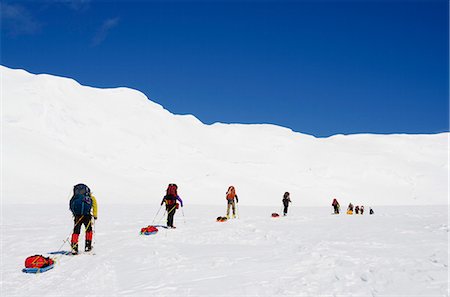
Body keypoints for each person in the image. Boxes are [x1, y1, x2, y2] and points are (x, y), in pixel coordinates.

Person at [69, 184, 98, 254]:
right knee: (88, 230)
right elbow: (95, 205)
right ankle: (88, 246)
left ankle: (74, 248)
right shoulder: (90, 197)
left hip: (77, 216)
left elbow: (70, 205)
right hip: (87, 215)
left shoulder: (75, 197)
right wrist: (95, 215)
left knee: (76, 231)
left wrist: (75, 213)